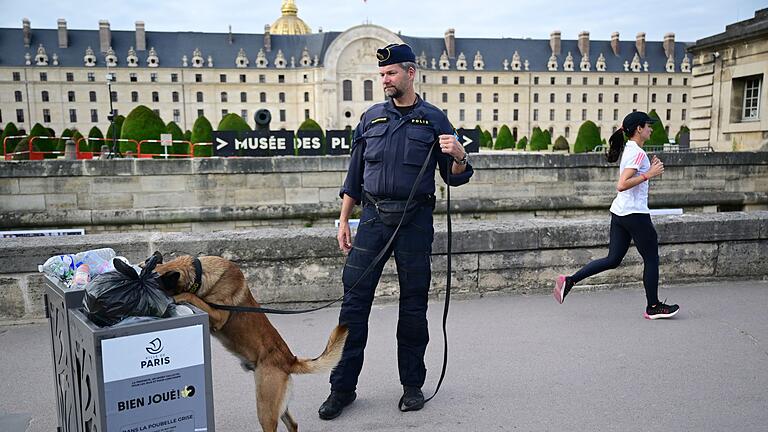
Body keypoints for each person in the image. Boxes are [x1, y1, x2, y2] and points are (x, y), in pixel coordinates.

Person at [318, 43, 474, 420]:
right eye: (382, 75)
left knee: (413, 307)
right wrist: (343, 220)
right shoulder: (370, 118)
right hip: (371, 219)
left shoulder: (435, 120)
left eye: (391, 74)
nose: (385, 80)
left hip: (415, 222)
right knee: (352, 306)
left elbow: (455, 180)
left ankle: (412, 386)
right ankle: (342, 389)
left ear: (410, 73)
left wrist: (459, 156)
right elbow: (354, 176)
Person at [553, 111, 679, 320]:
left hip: (620, 213)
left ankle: (570, 280)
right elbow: (622, 184)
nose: (651, 129)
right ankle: (653, 306)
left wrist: (649, 169)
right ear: (639, 128)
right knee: (651, 258)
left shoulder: (632, 149)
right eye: (648, 125)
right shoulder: (637, 153)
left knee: (613, 259)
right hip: (635, 214)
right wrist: (649, 173)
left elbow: (630, 179)